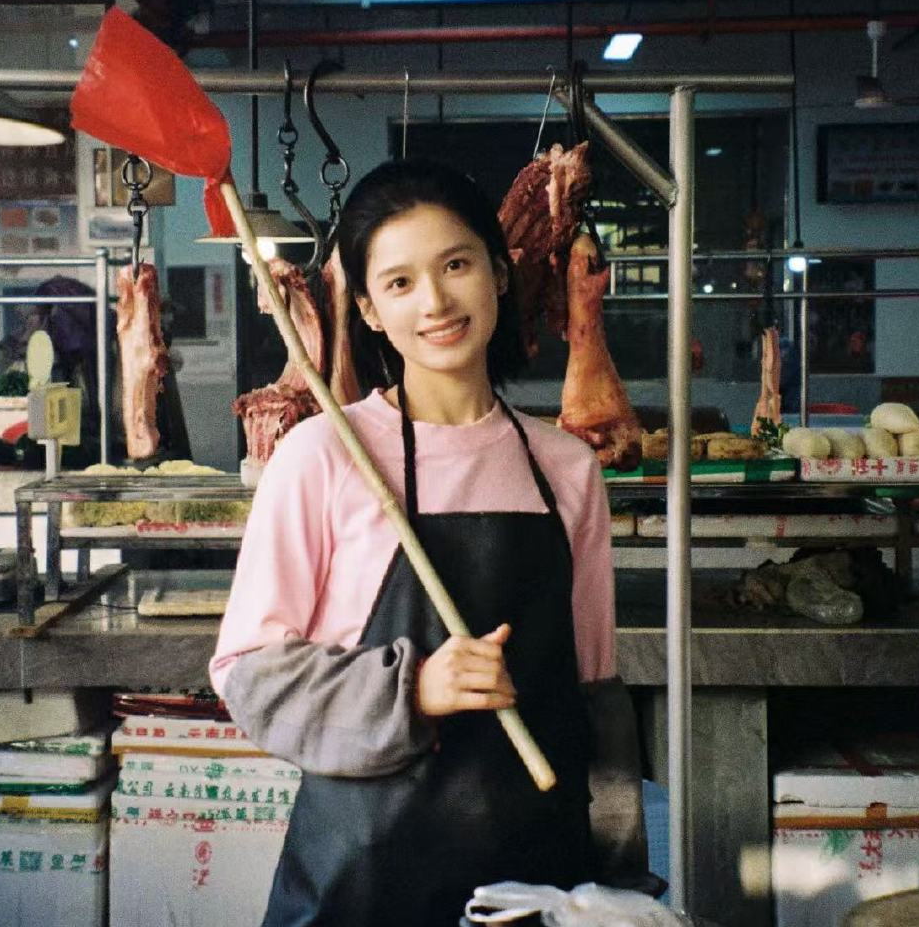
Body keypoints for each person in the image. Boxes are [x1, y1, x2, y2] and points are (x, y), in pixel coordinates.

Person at [210, 158, 637, 927]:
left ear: (499, 274)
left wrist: (620, 877)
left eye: (456, 266)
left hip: (537, 878)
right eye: (400, 282)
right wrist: (411, 690)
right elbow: (249, 676)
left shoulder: (566, 468)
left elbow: (595, 699)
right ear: (369, 310)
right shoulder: (324, 455)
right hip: (363, 882)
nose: (435, 302)